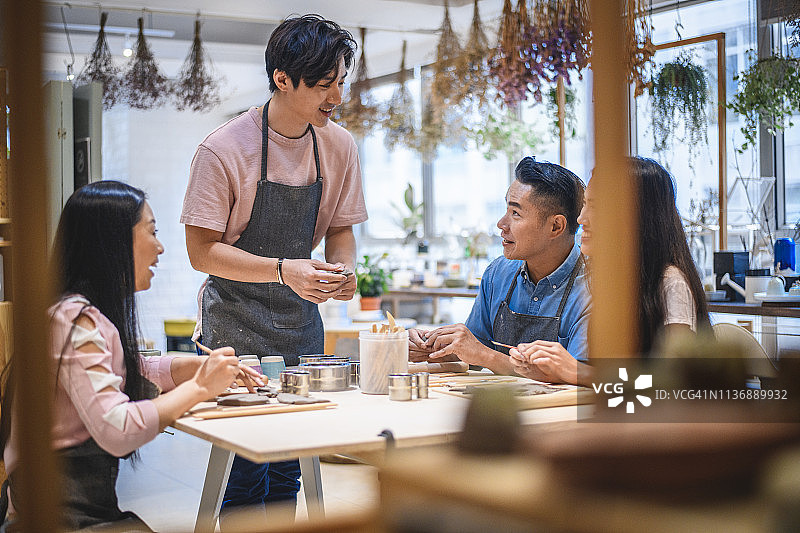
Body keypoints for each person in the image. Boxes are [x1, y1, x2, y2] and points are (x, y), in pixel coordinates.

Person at [180, 15, 367, 517]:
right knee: (247, 467)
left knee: (290, 467)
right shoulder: (223, 149)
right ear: (283, 79)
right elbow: (202, 252)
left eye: (341, 82)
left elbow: (341, 229)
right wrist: (285, 270)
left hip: (299, 326)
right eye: (324, 85)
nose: (337, 97)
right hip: (235, 327)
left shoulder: (339, 145)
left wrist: (343, 271)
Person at [0, 181, 259, 532]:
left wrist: (194, 367)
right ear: (113, 241)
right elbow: (117, 428)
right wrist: (199, 388)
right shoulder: (73, 320)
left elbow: (129, 367)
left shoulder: (77, 314)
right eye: (152, 232)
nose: (161, 247)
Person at [509, 157, 712, 384]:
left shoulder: (670, 283)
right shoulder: (611, 281)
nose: (581, 218)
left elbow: (675, 381)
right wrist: (551, 372)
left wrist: (577, 371)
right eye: (585, 204)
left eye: (596, 206)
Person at [409, 157, 590, 381]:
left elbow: (578, 377)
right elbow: (472, 353)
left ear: (556, 226)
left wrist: (486, 356)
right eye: (506, 209)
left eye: (515, 213)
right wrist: (432, 348)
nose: (501, 224)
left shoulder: (592, 288)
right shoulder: (499, 272)